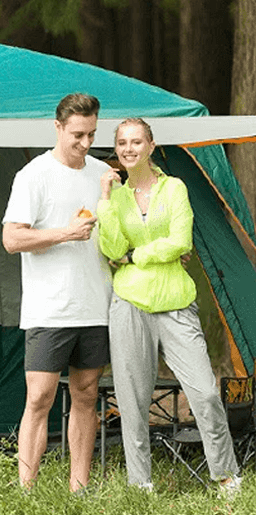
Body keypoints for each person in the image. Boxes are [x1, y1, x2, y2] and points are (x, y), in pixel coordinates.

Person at [97, 117, 241, 496]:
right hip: (129, 304)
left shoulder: (174, 188)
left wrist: (137, 255)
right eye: (122, 143)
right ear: (117, 149)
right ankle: (139, 483)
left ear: (150, 145)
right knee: (131, 400)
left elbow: (180, 240)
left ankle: (227, 477)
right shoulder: (117, 196)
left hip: (176, 302)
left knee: (206, 393)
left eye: (136, 142)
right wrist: (105, 201)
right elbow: (111, 249)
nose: (129, 149)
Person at [3, 93, 112, 492]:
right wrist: (67, 232)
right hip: (49, 310)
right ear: (58, 127)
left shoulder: (103, 174)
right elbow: (12, 239)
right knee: (39, 399)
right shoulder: (33, 175)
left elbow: (115, 235)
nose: (86, 143)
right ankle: (27, 490)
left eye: (92, 134)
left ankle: (78, 487)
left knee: (86, 394)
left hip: (96, 306)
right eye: (78, 135)